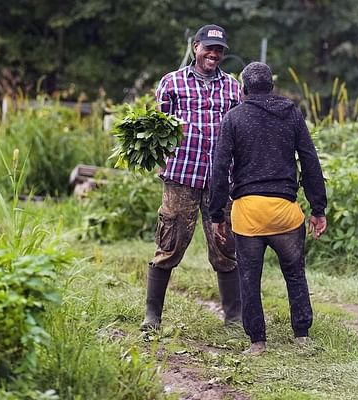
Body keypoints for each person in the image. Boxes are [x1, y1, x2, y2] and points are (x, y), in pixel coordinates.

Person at [207, 62, 328, 355]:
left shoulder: (234, 117)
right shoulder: (291, 113)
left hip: (249, 213)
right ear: (271, 87)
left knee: (249, 277)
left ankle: (258, 342)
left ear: (244, 90)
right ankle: (302, 337)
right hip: (285, 211)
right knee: (295, 273)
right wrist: (318, 208)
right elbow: (310, 160)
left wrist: (216, 215)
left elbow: (220, 167)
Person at [141, 24, 243, 331]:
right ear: (195, 47)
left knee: (225, 248)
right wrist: (160, 163)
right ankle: (152, 316)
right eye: (209, 48)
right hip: (181, 177)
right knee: (169, 245)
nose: (214, 54)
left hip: (220, 180)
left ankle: (234, 319)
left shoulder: (232, 87)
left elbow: (239, 130)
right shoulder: (171, 83)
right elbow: (157, 128)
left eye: (220, 50)